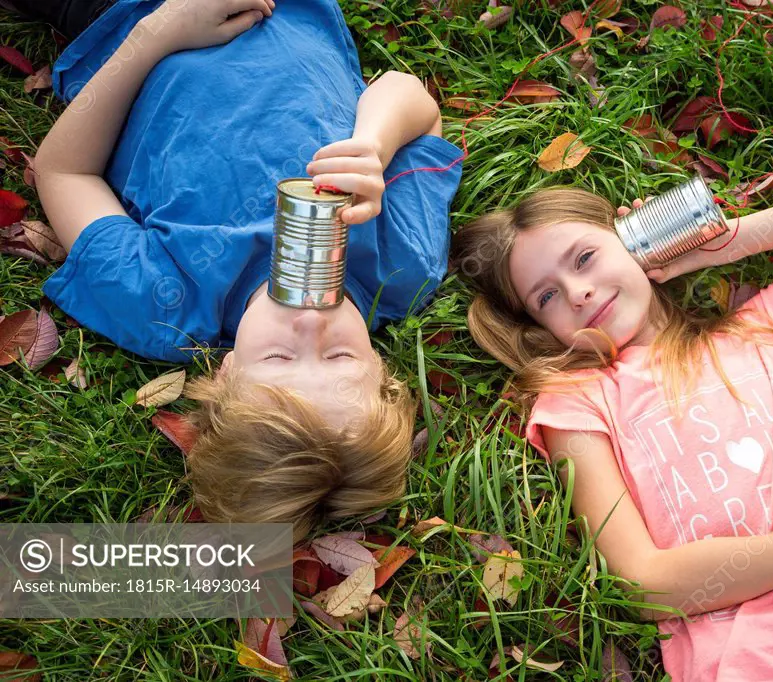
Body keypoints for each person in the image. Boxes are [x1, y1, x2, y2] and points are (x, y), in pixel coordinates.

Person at [450, 185, 773, 681]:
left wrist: (713, 243)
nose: (577, 292)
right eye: (547, 296)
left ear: (631, 240)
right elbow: (644, 584)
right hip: (746, 664)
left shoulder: (763, 332)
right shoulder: (576, 403)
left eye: (584, 258)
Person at [13, 0, 463, 542]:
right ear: (380, 365)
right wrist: (374, 143)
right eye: (340, 355)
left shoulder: (163, 302)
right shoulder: (401, 266)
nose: (309, 326)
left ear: (225, 372)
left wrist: (159, 31)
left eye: (278, 357)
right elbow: (411, 96)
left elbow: (62, 171)